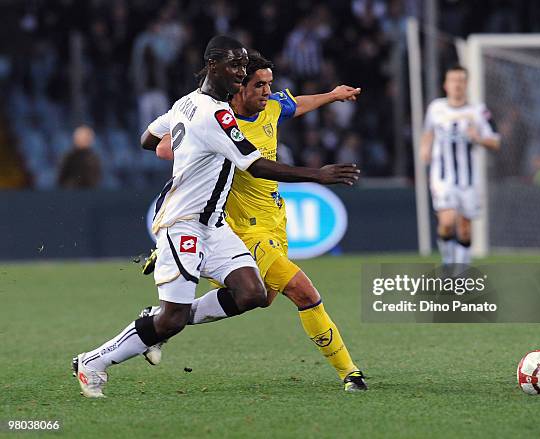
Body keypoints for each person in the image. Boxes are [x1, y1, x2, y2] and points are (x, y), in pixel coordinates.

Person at [72, 36, 359, 398]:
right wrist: (318, 175)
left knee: (253, 292)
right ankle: (93, 361)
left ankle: (152, 325)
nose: (240, 74)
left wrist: (185, 148)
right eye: (235, 67)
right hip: (183, 221)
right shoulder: (216, 114)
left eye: (243, 67)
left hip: (215, 225)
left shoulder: (185, 104)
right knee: (171, 320)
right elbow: (253, 164)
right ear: (213, 66)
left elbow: (148, 138)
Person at [142, 50, 368, 392]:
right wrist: (185, 149)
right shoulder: (220, 120)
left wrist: (334, 95)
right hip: (243, 229)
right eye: (259, 85)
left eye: (269, 84)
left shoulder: (272, 108)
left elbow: (298, 104)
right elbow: (162, 145)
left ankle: (160, 323)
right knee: (304, 293)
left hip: (274, 223)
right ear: (238, 89)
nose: (266, 91)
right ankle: (349, 372)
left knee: (263, 298)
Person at [420, 65, 500, 266]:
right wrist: (425, 148)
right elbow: (428, 132)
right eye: (453, 80)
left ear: (466, 84)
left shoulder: (478, 111)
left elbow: (496, 141)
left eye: (461, 80)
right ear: (446, 85)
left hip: (469, 178)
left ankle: (462, 269)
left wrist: (478, 138)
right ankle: (448, 261)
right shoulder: (436, 108)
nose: (457, 84)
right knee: (447, 222)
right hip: (443, 176)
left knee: (464, 228)